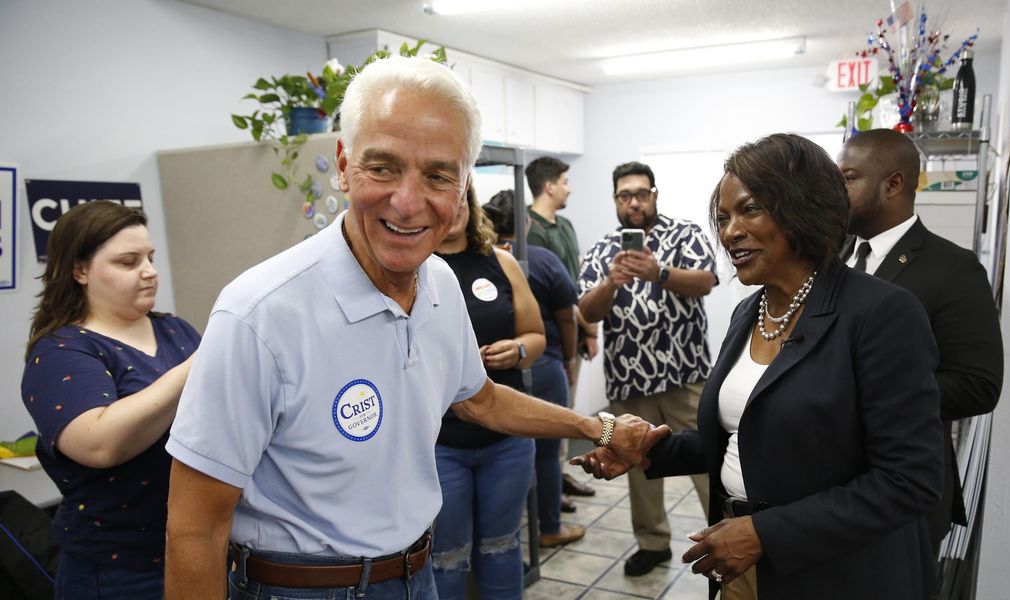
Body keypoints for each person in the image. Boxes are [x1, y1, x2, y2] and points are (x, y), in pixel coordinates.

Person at [161, 56, 666, 600]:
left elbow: (480, 398)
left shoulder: (440, 284)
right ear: (343, 163)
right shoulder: (258, 314)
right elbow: (194, 530)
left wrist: (600, 429)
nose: (407, 201)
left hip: (414, 577)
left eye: (437, 175)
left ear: (463, 185)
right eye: (381, 167)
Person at [574, 133, 944, 599]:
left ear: (802, 207)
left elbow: (910, 481)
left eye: (749, 210)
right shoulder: (750, 312)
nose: (729, 232)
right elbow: (747, 436)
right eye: (724, 218)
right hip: (742, 565)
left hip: (837, 572)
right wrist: (651, 452)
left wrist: (766, 532)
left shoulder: (880, 313)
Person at [20, 201, 199, 599]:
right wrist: (196, 367)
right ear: (79, 270)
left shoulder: (174, 331)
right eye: (128, 262)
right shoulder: (61, 352)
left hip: (197, 548)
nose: (150, 271)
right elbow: (99, 444)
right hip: (122, 572)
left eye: (150, 258)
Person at [838, 128, 1003, 552]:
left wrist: (864, 391)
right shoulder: (834, 257)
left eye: (849, 178)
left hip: (901, 492)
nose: (837, 190)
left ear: (893, 184)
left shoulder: (953, 268)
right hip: (830, 491)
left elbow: (978, 385)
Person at [577, 161, 717, 576]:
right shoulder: (603, 249)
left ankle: (726, 532)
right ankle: (653, 543)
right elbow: (587, 310)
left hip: (684, 375)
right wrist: (611, 283)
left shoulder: (685, 233)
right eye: (625, 195)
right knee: (638, 464)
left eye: (641, 193)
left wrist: (659, 272)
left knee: (708, 459)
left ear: (655, 194)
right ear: (616, 201)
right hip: (628, 380)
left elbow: (706, 281)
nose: (634, 202)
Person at [430, 185, 546, 599]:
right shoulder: (411, 268)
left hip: (507, 440)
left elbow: (536, 336)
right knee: (447, 556)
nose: (455, 207)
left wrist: (516, 350)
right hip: (440, 445)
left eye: (463, 197)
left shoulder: (501, 262)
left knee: (502, 547)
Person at [483, 190, 586, 548]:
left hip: (494, 370)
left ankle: (515, 526)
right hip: (542, 363)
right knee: (546, 451)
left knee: (505, 450)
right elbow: (568, 317)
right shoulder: (540, 259)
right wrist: (569, 359)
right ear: (525, 221)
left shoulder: (484, 262)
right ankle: (549, 526)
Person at [524, 155, 599, 504]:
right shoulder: (530, 230)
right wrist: (588, 327)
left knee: (566, 408)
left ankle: (561, 475)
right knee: (550, 415)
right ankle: (548, 487)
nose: (570, 188)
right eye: (565, 181)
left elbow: (575, 278)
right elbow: (555, 296)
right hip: (554, 335)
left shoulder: (564, 226)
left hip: (577, 326)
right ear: (549, 185)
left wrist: (587, 328)